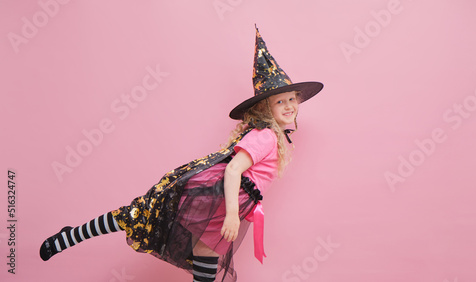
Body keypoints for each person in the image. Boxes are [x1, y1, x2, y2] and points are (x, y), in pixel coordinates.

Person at [39, 26, 323, 282]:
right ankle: (70, 235)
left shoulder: (271, 135)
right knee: (139, 214)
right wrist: (233, 216)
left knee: (205, 255)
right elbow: (234, 169)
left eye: (292, 99)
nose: (289, 106)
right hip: (215, 199)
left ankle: (71, 234)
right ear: (265, 108)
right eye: (280, 101)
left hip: (223, 202)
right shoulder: (265, 136)